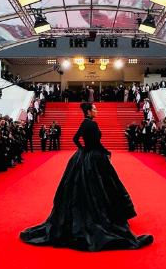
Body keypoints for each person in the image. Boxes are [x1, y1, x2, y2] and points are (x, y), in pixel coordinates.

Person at [20, 103, 154, 252]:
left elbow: (75, 138)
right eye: (94, 109)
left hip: (82, 157)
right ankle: (106, 216)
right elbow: (96, 143)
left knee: (84, 187)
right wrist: (106, 152)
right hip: (95, 158)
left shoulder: (84, 123)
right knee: (103, 185)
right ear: (89, 111)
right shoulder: (93, 124)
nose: (96, 111)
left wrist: (82, 149)